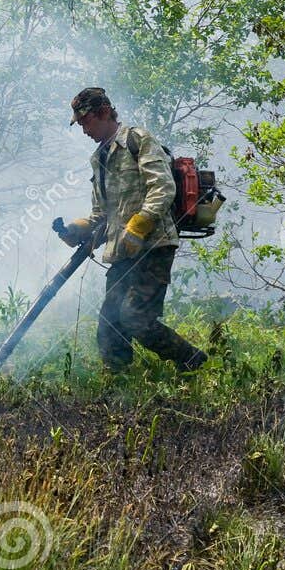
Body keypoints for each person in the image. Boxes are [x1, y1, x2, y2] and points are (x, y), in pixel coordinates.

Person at [58, 87, 208, 373]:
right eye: (80, 124)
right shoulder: (98, 159)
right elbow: (101, 214)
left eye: (86, 121)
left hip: (154, 246)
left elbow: (163, 187)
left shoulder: (137, 140)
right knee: (110, 324)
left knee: (135, 318)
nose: (84, 130)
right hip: (122, 252)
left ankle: (192, 361)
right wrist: (76, 230)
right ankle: (119, 381)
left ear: (104, 112)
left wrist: (139, 225)